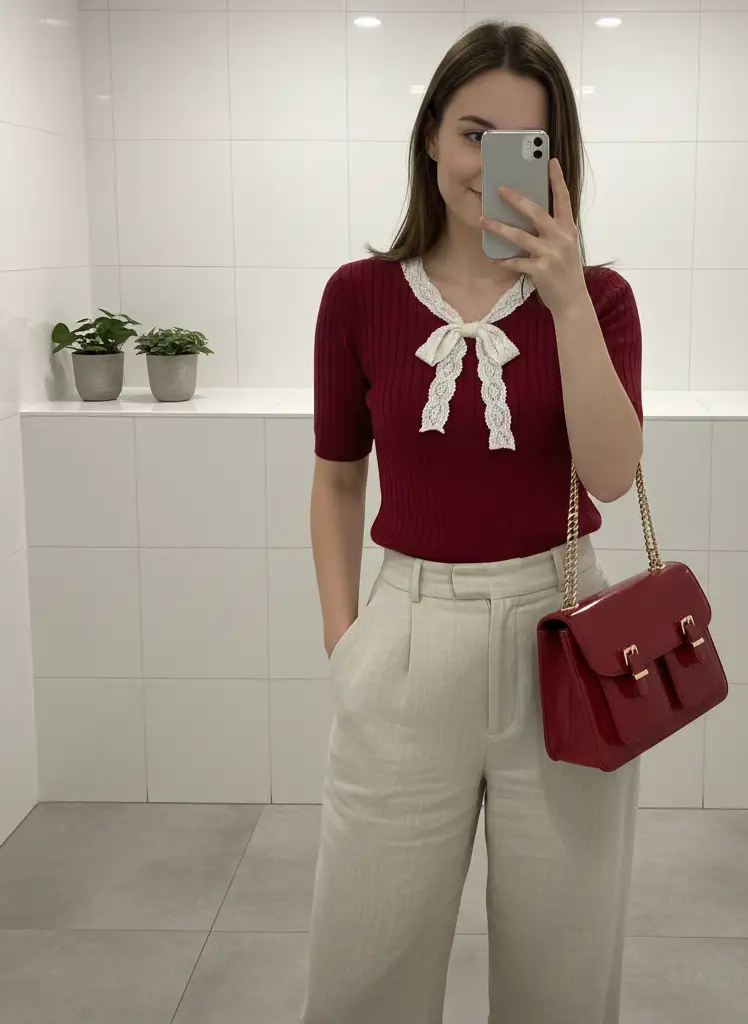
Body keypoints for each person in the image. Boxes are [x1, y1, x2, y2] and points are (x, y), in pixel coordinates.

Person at [301, 20, 644, 1024]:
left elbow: (613, 476)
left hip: (565, 624)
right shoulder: (357, 297)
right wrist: (344, 643)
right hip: (408, 631)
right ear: (431, 139)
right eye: (471, 131)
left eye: (522, 142)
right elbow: (334, 480)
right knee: (364, 960)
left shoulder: (602, 299)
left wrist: (566, 299)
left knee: (563, 963)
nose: (485, 162)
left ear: (555, 163)